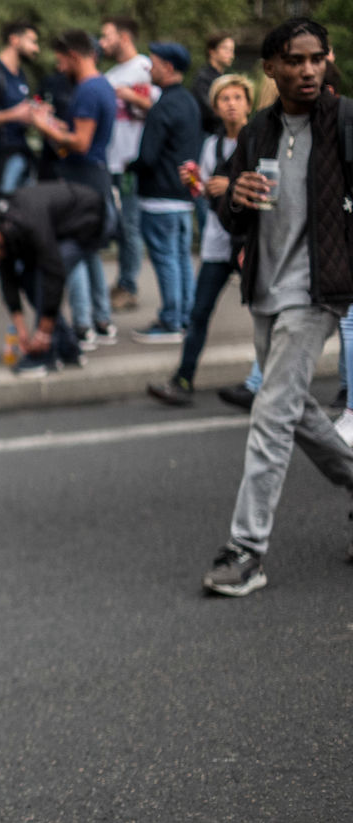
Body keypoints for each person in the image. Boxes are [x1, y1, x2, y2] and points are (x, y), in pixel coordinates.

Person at [202, 17, 353, 596]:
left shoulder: (345, 122)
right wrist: (235, 197)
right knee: (293, 407)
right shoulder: (257, 130)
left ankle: (247, 548)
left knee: (270, 413)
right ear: (270, 68)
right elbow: (230, 210)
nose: (309, 69)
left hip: (317, 293)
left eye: (317, 58)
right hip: (265, 287)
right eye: (295, 60)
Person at [147, 74, 255, 404]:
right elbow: (207, 192)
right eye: (224, 99)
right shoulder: (212, 145)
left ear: (248, 104)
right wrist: (196, 183)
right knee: (199, 313)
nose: (231, 104)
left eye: (237, 97)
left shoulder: (259, 141)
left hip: (250, 243)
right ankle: (183, 379)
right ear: (215, 107)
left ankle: (261, 384)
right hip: (217, 241)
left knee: (264, 316)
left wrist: (231, 186)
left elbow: (267, 189)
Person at [28, 28, 118, 361]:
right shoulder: (101, 85)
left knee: (71, 249)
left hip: (83, 178)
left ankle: (82, 326)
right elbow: (82, 134)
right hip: (94, 175)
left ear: (75, 56)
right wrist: (55, 126)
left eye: (62, 60)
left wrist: (43, 127)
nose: (59, 66)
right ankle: (100, 320)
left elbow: (80, 143)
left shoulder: (87, 90)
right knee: (89, 252)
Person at [0, 180, 107, 376]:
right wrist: (20, 329)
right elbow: (7, 277)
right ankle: (68, 349)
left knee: (42, 278)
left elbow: (54, 274)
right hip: (57, 226)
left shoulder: (26, 222)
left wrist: (43, 332)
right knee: (29, 279)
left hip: (86, 218)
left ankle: (45, 355)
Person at [130, 42, 203, 343]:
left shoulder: (163, 106)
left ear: (169, 67)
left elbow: (148, 156)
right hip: (182, 196)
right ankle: (186, 318)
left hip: (159, 197)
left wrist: (130, 166)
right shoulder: (189, 102)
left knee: (166, 259)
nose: (150, 68)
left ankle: (172, 320)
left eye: (154, 62)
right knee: (181, 258)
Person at [0, 21, 41, 304]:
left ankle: (17, 277)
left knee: (22, 216)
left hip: (22, 154)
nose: (36, 48)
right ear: (14, 39)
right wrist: (16, 114)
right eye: (32, 40)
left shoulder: (21, 75)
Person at [100, 16, 154, 312]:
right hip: (110, 162)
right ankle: (121, 281)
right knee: (118, 226)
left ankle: (129, 286)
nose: (102, 43)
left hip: (132, 163)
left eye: (107, 36)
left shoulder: (144, 68)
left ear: (124, 37)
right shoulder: (110, 74)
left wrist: (132, 97)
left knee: (130, 225)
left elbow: (159, 110)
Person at [193, 32, 236, 135]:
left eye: (232, 50)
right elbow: (208, 110)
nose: (230, 55)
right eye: (225, 49)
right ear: (212, 51)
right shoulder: (203, 78)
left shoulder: (225, 78)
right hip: (208, 133)